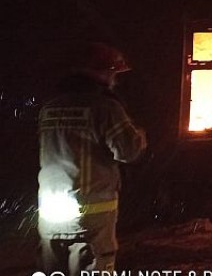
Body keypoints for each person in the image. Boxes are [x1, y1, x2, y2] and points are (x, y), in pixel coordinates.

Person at [37, 42, 147, 275]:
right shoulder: (106, 108)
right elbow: (129, 151)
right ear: (104, 73)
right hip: (91, 220)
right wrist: (139, 137)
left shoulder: (49, 107)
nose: (115, 79)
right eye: (114, 72)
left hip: (50, 217)